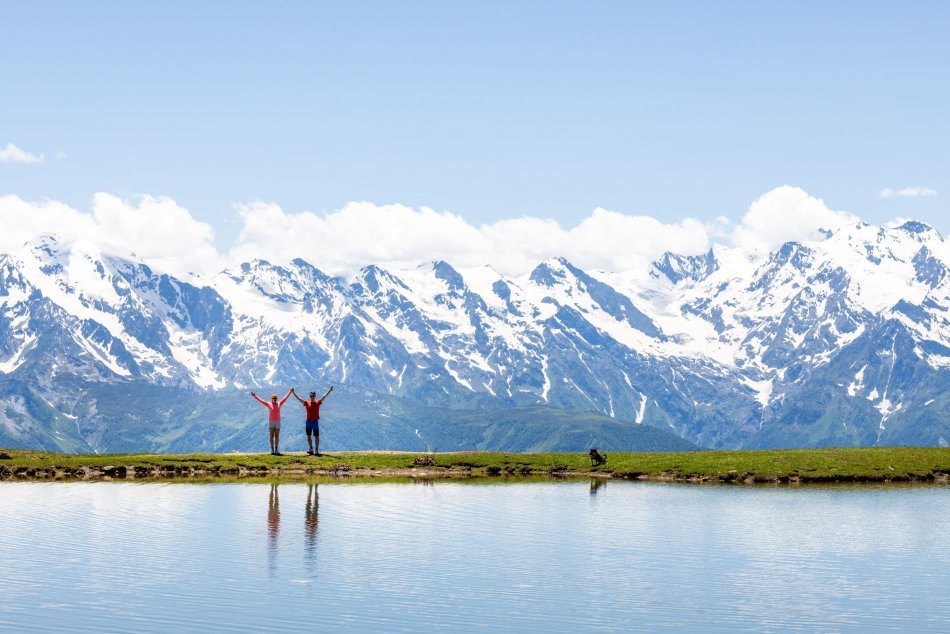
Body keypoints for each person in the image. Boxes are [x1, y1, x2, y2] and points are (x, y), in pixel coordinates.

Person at [291, 386, 333, 456]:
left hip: (315, 422)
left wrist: (330, 390)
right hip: (308, 421)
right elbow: (299, 399)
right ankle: (311, 448)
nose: (312, 397)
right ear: (309, 396)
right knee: (308, 435)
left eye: (313, 396)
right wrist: (293, 392)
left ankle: (316, 449)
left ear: (315, 396)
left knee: (316, 436)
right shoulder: (307, 403)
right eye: (311, 396)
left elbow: (324, 396)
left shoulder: (318, 402)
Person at [251, 389, 293, 455]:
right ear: (271, 399)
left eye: (275, 398)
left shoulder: (279, 403)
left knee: (277, 435)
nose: (275, 399)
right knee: (271, 435)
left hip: (277, 421)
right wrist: (255, 396)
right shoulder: (268, 404)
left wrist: (290, 392)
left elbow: (285, 398)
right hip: (271, 421)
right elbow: (261, 401)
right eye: (273, 398)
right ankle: (272, 449)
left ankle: (276, 449)